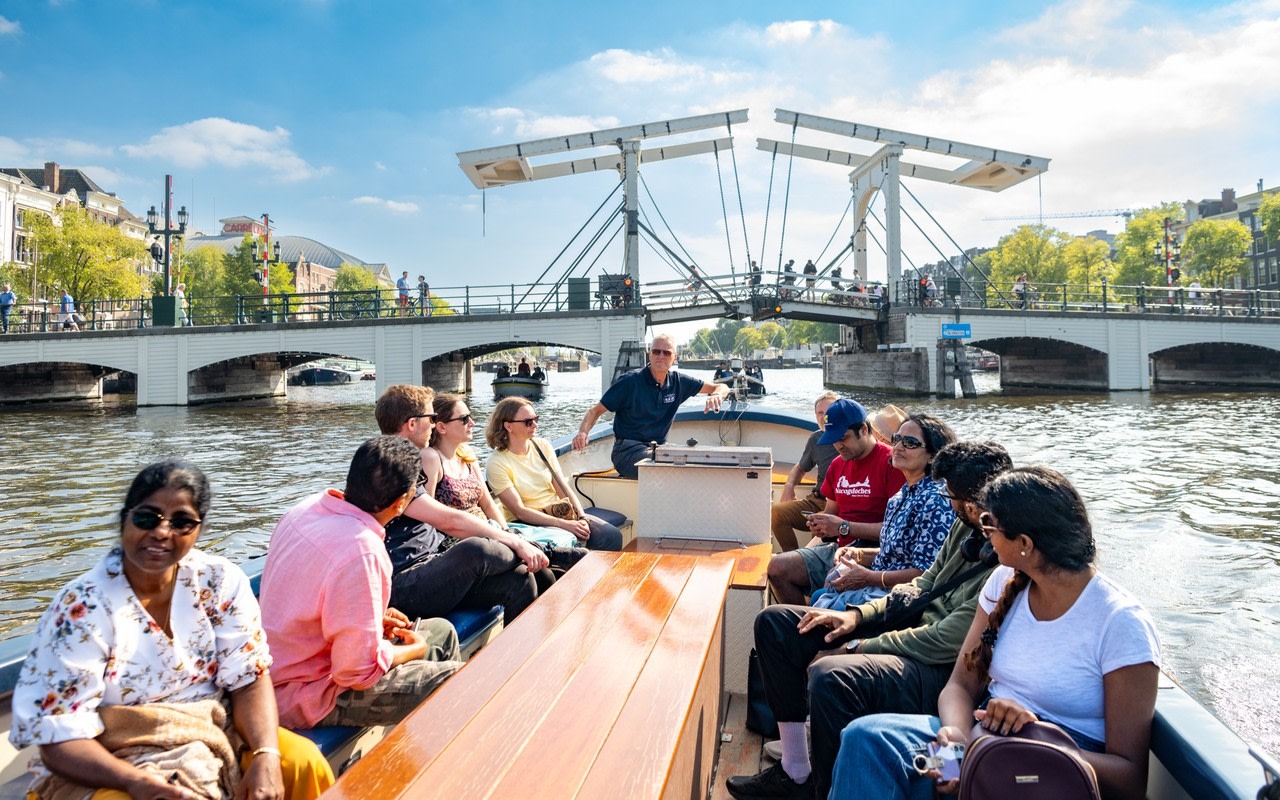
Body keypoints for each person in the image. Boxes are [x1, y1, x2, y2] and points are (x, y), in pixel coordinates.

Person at [828, 466, 1161, 800]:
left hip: (1045, 772)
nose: (983, 532)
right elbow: (960, 685)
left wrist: (1034, 737)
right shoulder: (1004, 581)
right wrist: (954, 748)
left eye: (989, 523)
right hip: (978, 743)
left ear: (1025, 544)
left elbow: (1129, 779)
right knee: (868, 739)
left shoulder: (1120, 623)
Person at [10, 460, 333, 800]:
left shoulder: (219, 581)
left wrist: (267, 754)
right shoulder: (82, 606)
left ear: (198, 529)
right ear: (125, 519)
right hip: (109, 753)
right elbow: (59, 738)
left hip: (207, 726)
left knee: (302, 763)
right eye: (147, 518)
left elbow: (249, 678)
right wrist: (136, 782)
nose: (162, 532)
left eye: (181, 522)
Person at [726, 442, 1011, 800]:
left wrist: (862, 645)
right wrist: (853, 616)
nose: (946, 502)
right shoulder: (966, 532)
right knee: (778, 623)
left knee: (831, 676)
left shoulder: (1004, 567)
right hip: (918, 634)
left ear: (973, 502)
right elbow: (923, 585)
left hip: (936, 662)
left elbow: (947, 640)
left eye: (950, 495)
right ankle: (796, 771)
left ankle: (824, 790)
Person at [261, 436, 464, 730]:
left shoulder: (303, 512)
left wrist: (371, 617)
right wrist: (412, 651)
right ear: (401, 503)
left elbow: (307, 598)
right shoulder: (363, 551)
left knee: (443, 633)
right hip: (308, 691)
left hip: (280, 667)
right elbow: (354, 672)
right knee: (460, 681)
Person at [375, 385, 552, 625]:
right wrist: (516, 542)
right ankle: (548, 554)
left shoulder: (406, 459)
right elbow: (449, 521)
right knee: (477, 550)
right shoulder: (387, 465)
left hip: (432, 564)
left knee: (520, 582)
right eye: (431, 418)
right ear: (413, 424)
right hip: (405, 583)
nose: (434, 423)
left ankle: (519, 656)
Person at [808, 413, 958, 610]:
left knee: (814, 605)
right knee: (820, 595)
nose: (898, 447)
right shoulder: (902, 495)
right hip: (881, 585)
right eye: (897, 439)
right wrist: (858, 554)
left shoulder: (936, 500)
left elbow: (927, 572)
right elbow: (895, 553)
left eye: (910, 443)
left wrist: (869, 577)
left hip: (902, 598)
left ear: (932, 456)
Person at [765, 399, 905, 606]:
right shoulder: (837, 466)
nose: (838, 445)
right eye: (833, 440)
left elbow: (899, 531)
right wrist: (821, 528)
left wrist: (843, 527)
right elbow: (831, 512)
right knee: (776, 567)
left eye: (843, 438)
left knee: (830, 582)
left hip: (879, 552)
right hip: (839, 548)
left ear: (864, 430)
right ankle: (801, 625)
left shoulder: (892, 464)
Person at [571, 332, 729, 479]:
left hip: (659, 450)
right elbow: (595, 410)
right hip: (627, 452)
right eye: (656, 351)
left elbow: (721, 387)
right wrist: (582, 433)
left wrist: (716, 395)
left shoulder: (679, 382)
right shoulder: (630, 381)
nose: (661, 356)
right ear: (650, 354)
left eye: (666, 353)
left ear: (674, 358)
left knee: (697, 461)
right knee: (668, 464)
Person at [487, 397, 624, 551]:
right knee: (574, 545)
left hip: (558, 512)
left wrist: (581, 517)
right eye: (528, 422)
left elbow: (563, 489)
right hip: (529, 522)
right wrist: (565, 525)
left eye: (535, 419)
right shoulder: (497, 463)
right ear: (508, 426)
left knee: (611, 536)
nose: (535, 425)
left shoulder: (542, 446)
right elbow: (519, 511)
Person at [771, 392, 839, 551]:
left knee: (820, 522)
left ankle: (806, 563)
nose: (824, 417)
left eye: (829, 412)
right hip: (817, 500)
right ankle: (792, 557)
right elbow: (801, 467)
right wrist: (789, 486)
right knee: (777, 513)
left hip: (839, 504)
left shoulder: (848, 439)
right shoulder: (815, 439)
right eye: (820, 413)